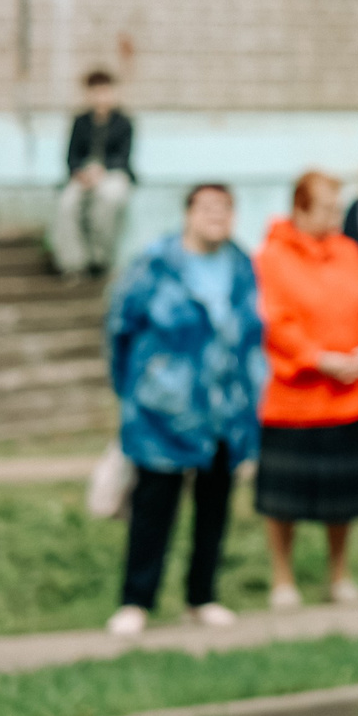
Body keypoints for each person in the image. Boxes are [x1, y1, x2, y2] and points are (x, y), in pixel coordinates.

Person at [102, 183, 266, 635]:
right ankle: (136, 600)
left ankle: (202, 596)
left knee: (214, 506)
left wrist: (252, 403)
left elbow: (254, 338)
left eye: (226, 208)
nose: (218, 216)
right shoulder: (155, 264)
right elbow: (120, 328)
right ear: (188, 213)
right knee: (154, 506)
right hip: (162, 409)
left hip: (224, 411)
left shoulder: (240, 266)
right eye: (208, 207)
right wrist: (135, 391)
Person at [253, 170, 358, 611]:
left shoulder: (348, 251)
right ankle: (283, 578)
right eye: (327, 207)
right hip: (296, 398)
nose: (335, 216)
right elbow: (276, 319)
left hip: (348, 396)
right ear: (300, 207)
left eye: (336, 207)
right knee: (283, 499)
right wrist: (319, 358)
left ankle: (338, 574)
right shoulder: (272, 256)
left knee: (343, 498)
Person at [54, 69, 135, 279]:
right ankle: (74, 263)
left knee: (108, 199)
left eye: (104, 91)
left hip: (113, 174)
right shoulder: (80, 122)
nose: (101, 97)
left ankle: (100, 259)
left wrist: (102, 170)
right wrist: (80, 173)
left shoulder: (124, 122)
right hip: (83, 176)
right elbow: (71, 156)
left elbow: (124, 157)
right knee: (67, 202)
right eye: (95, 92)